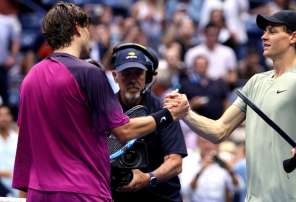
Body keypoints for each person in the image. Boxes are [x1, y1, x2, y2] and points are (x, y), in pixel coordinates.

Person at [166, 10, 296, 201]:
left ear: (293, 37)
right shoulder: (255, 82)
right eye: (264, 31)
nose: (264, 36)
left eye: (272, 31)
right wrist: (186, 113)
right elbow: (218, 130)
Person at [12, 3, 188, 202]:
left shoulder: (30, 78)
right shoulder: (89, 73)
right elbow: (124, 131)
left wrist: (25, 192)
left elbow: (25, 143)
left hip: (39, 192)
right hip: (83, 191)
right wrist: (170, 114)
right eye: (88, 28)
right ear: (79, 28)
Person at [110, 43, 188, 202]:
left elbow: (175, 163)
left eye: (138, 73)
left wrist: (148, 178)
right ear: (115, 76)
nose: (132, 79)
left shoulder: (163, 109)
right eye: (126, 73)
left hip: (161, 196)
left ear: (147, 76)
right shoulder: (103, 109)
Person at [0, 105, 18, 197]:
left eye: (6, 115)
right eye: (0, 115)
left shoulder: (18, 138)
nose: (3, 118)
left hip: (17, 187)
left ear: (11, 117)